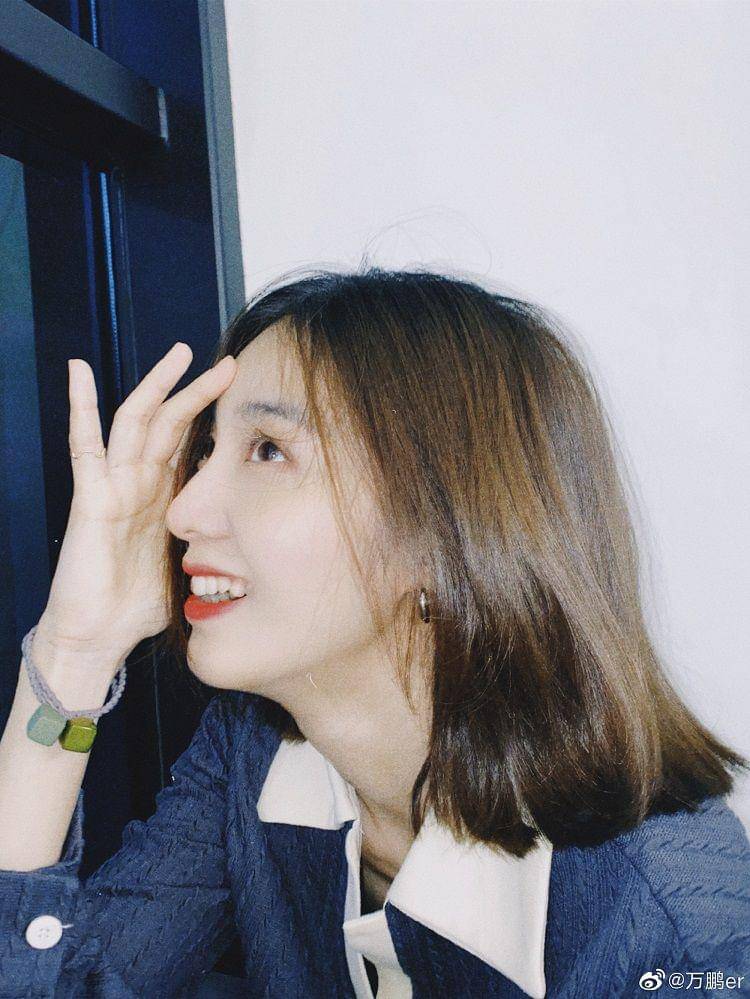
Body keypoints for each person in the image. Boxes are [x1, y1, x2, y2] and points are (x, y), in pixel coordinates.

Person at [0, 266, 748, 998]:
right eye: (206, 452)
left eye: (268, 450)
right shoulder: (250, 752)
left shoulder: (680, 933)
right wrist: (75, 649)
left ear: (443, 527)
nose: (182, 510)